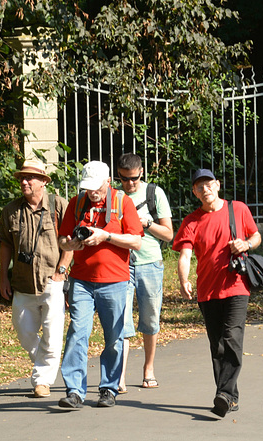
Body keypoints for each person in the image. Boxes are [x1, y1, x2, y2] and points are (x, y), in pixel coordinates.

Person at [172, 168, 262, 418]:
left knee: (232, 337)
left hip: (236, 286)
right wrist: (183, 279)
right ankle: (229, 397)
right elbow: (185, 254)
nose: (205, 189)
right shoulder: (192, 221)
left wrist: (246, 244)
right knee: (217, 345)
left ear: (218, 185)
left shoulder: (238, 209)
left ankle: (223, 394)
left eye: (209, 184)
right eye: (199, 186)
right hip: (207, 290)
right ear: (194, 192)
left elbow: (256, 236)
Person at [57, 160, 143, 409]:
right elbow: (63, 238)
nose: (92, 193)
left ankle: (108, 388)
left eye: (96, 187)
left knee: (113, 338)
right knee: (77, 333)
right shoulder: (77, 203)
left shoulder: (121, 202)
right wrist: (69, 244)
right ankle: (74, 391)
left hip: (114, 281)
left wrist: (106, 236)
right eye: (87, 188)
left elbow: (136, 241)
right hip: (81, 280)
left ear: (108, 182)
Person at [0, 158, 73, 399]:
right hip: (22, 282)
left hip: (53, 280)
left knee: (52, 332)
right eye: (21, 178)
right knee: (24, 331)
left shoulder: (59, 206)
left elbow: (70, 242)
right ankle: (46, 362)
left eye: (30, 177)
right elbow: (6, 245)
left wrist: (61, 270)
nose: (24, 181)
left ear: (43, 181)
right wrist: (3, 277)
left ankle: (42, 380)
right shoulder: (11, 210)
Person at [116, 153, 173, 392]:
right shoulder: (114, 196)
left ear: (142, 173)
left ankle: (148, 369)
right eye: (124, 179)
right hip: (121, 263)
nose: (130, 184)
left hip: (150, 263)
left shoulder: (154, 193)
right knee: (121, 320)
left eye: (134, 179)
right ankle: (118, 376)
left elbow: (169, 235)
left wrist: (146, 223)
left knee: (150, 319)